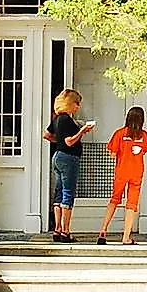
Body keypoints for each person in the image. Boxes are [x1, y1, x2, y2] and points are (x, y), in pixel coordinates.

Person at [43, 88, 93, 242]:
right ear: (70, 104)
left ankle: (57, 229)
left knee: (58, 193)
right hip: (69, 158)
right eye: (76, 103)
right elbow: (69, 141)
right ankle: (65, 231)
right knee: (68, 193)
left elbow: (46, 135)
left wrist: (58, 142)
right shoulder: (67, 120)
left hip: (57, 156)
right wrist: (82, 131)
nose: (78, 107)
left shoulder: (57, 119)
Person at [99, 106, 147, 245]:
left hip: (121, 171)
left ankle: (103, 230)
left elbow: (112, 153)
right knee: (131, 205)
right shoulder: (144, 135)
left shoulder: (119, 133)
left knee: (114, 200)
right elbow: (146, 150)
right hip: (137, 172)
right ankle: (126, 237)